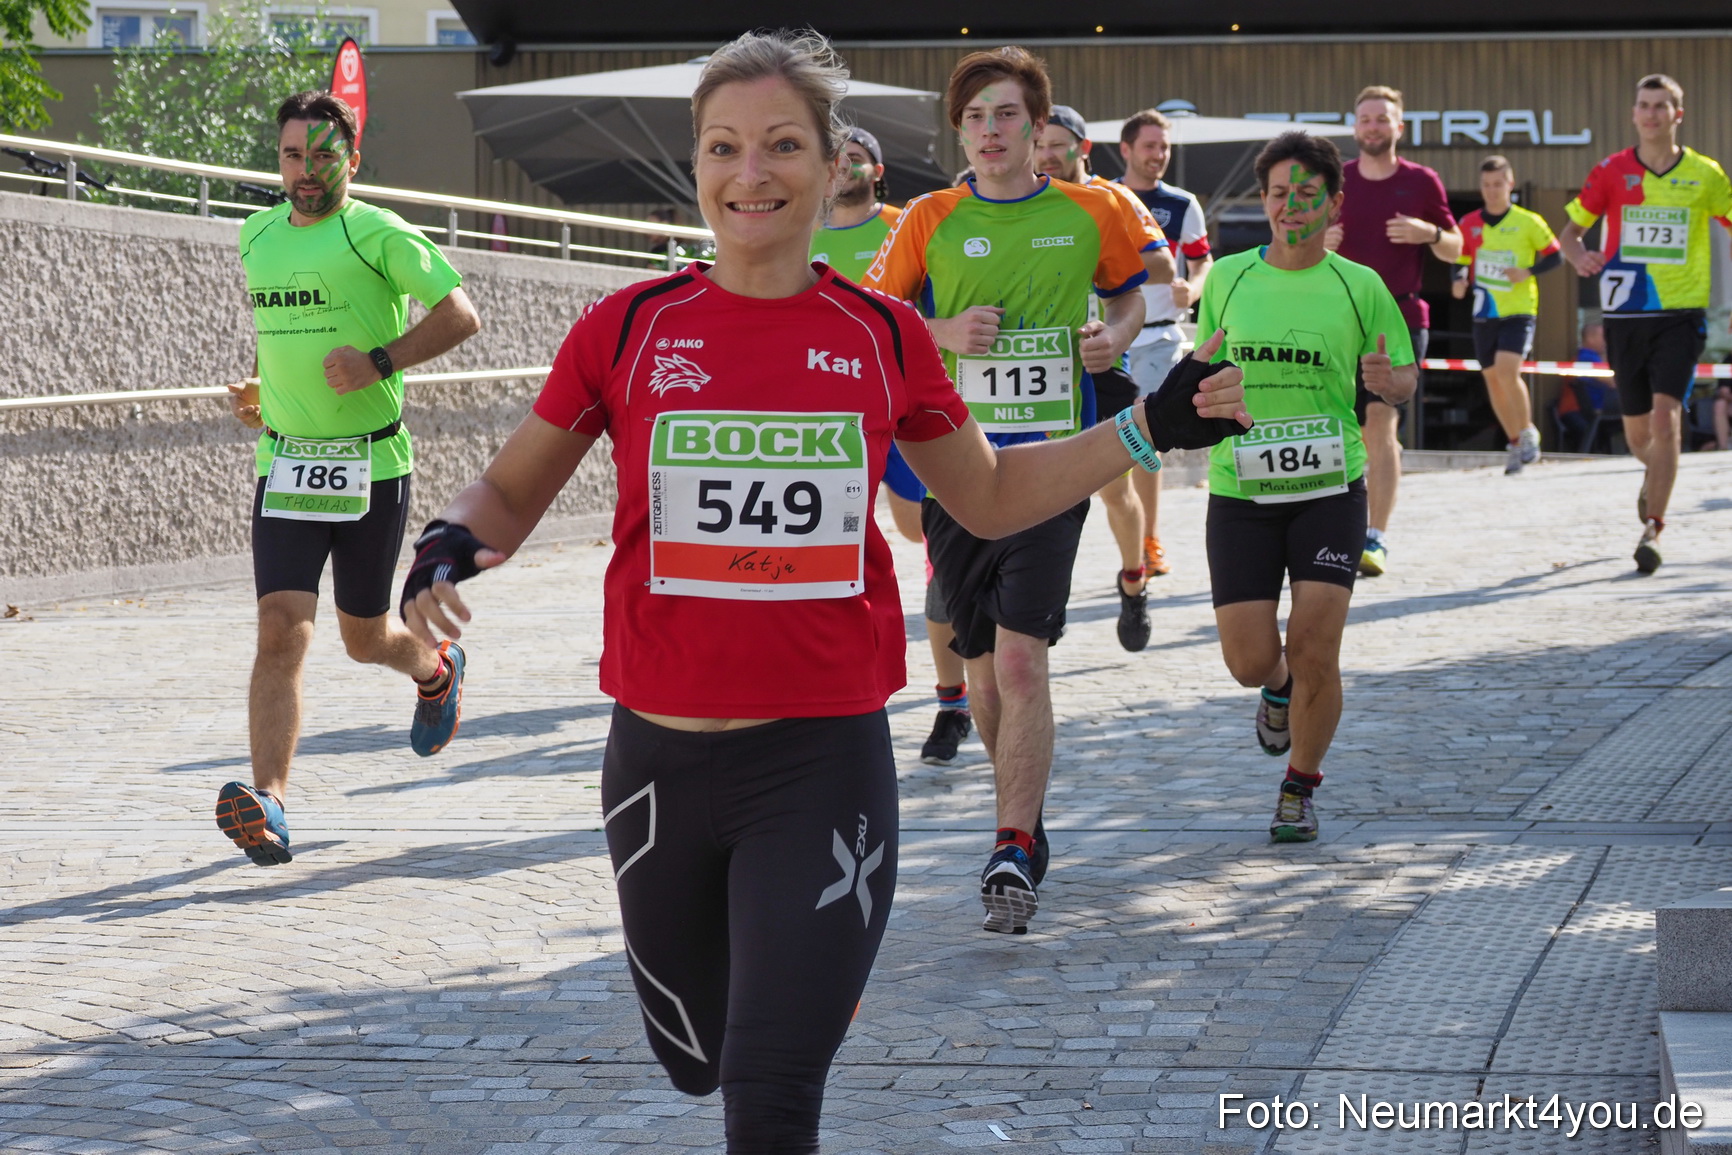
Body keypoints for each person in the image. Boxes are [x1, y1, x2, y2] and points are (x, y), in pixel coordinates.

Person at [396, 31, 1247, 1151]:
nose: (752, 174)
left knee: (769, 1089)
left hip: (819, 763)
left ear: (836, 159)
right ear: (696, 165)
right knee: (693, 1057)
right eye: (724, 148)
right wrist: (446, 544)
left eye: (782, 145)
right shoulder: (630, 327)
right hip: (655, 764)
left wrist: (1145, 425)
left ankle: (799, 997)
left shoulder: (882, 333)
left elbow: (987, 495)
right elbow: (510, 487)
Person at [864, 47, 1152, 933]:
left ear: (1040, 130)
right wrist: (943, 327)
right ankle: (1019, 811)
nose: (991, 131)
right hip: (958, 467)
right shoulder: (929, 216)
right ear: (962, 131)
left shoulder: (1093, 209)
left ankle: (1013, 841)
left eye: (1007, 116)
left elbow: (1133, 296)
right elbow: (874, 313)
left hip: (1054, 461)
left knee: (1023, 659)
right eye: (976, 118)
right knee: (983, 677)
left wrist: (1113, 336)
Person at [214, 91, 481, 866]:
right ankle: (270, 803)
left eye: (323, 155)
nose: (306, 170)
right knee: (280, 633)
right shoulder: (256, 235)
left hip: (371, 465)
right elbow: (280, 326)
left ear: (351, 159)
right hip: (287, 463)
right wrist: (261, 389)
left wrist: (379, 362)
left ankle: (435, 671)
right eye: (293, 155)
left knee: (364, 638)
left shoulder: (377, 234)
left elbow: (460, 313)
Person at [1197, 131, 1416, 843]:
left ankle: (1300, 784)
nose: (1292, 206)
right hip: (1241, 488)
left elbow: (1405, 375)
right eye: (1278, 193)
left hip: (1329, 487)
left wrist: (1391, 384)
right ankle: (1277, 686)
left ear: (1333, 202)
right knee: (1248, 659)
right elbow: (1204, 367)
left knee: (1319, 643)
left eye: (1306, 193)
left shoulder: (1362, 286)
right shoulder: (1227, 278)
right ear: (1261, 201)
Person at [810, 129, 971, 761]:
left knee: (919, 532)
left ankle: (955, 679)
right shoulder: (801, 229)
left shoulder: (914, 225)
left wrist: (945, 329)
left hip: (901, 412)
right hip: (821, 422)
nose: (844, 164)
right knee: (833, 552)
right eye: (836, 154)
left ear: (876, 170)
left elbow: (935, 311)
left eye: (856, 155)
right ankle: (834, 696)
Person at [1558, 73, 1732, 573]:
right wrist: (1578, 258)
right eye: (1644, 105)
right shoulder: (1612, 171)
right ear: (1634, 114)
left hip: (1681, 315)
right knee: (1639, 438)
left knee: (1665, 418)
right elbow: (1570, 234)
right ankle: (1654, 476)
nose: (1652, 114)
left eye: (1661, 106)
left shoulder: (1705, 174)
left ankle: (1653, 527)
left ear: (1678, 115)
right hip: (1625, 315)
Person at [1034, 103, 1176, 650]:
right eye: (1039, 144)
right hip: (1036, 370)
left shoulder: (1111, 198)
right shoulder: (1020, 201)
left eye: (1058, 144)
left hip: (1102, 366)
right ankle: (1043, 598)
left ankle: (1133, 579)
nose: (1048, 154)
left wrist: (1091, 263)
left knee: (1115, 491)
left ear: (1082, 149)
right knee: (1039, 491)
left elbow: (1161, 266)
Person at [1325, 85, 1461, 575]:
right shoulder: (1336, 180)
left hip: (1399, 319)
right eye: (1366, 119)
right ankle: (1337, 527)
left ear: (1399, 127)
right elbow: (1294, 243)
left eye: (1383, 118)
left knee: (1381, 425)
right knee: (1344, 430)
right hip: (1338, 321)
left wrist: (1431, 234)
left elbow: (1457, 248)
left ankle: (1374, 538)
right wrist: (1322, 238)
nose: (1374, 126)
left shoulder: (1422, 182)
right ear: (1355, 127)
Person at [1117, 108, 1214, 577]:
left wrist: (1191, 289)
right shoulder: (1104, 197)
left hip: (1157, 338)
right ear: (1127, 150)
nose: (1158, 156)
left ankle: (1147, 540)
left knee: (1143, 443)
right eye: (1150, 146)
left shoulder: (1182, 204)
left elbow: (1202, 263)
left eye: (1164, 147)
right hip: (1105, 340)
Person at [1450, 155, 1562, 473]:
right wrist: (1457, 280)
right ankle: (1514, 441)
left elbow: (1556, 257)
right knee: (1492, 379)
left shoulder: (1529, 221)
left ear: (1510, 184)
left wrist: (1527, 271)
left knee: (1507, 369)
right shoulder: (1469, 223)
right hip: (1485, 310)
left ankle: (1527, 432)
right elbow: (1460, 260)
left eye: (1498, 184)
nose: (1492, 191)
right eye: (1486, 185)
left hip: (1519, 309)